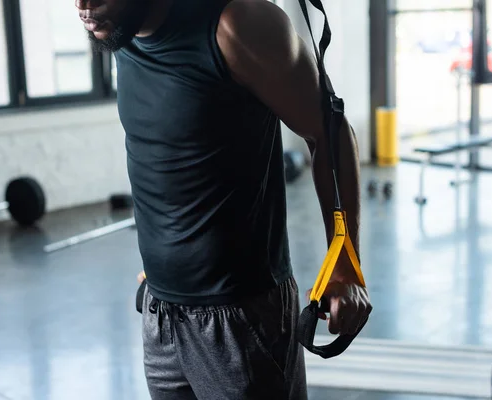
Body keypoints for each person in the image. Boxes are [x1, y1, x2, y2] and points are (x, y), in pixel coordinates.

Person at [75, 0, 372, 398]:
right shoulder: (119, 32)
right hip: (161, 312)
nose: (82, 5)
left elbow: (330, 132)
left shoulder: (237, 26)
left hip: (241, 320)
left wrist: (344, 259)